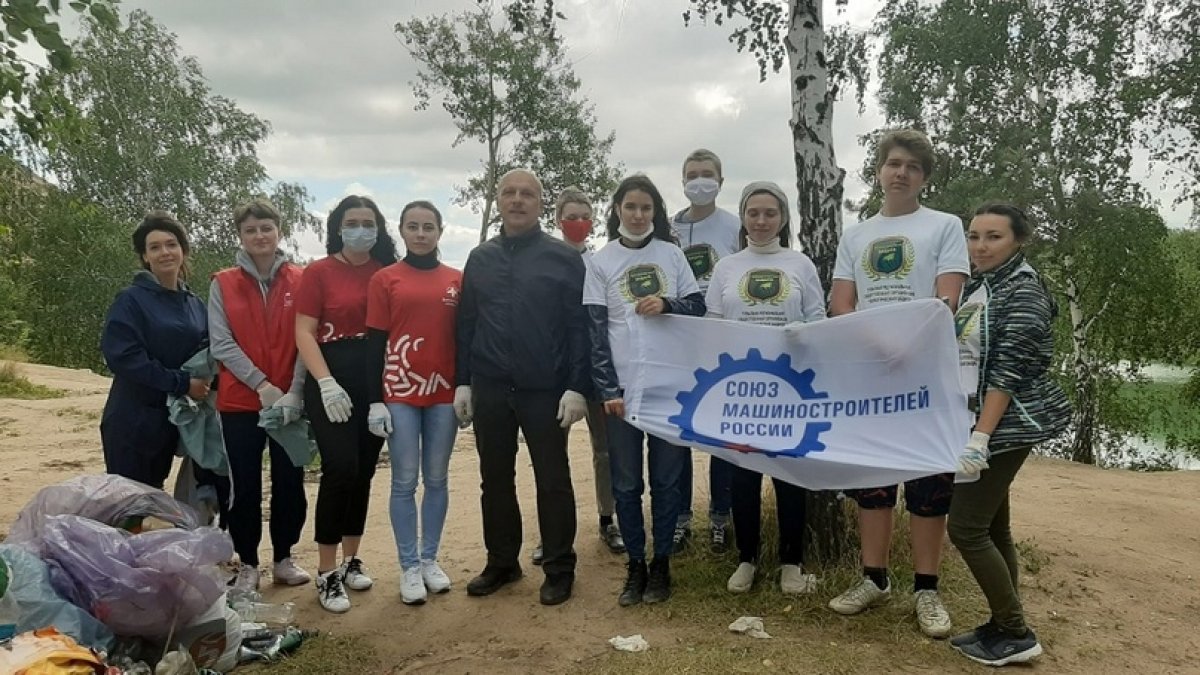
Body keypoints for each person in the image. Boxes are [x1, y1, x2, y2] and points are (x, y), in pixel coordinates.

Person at [826, 129, 969, 638]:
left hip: (926, 377)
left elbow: (946, 298)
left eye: (911, 165)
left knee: (930, 482)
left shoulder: (946, 226)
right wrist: (873, 345)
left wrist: (905, 346)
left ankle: (926, 589)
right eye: (892, 163)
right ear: (880, 171)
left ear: (924, 176)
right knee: (873, 484)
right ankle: (875, 579)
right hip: (871, 377)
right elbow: (841, 302)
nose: (901, 172)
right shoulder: (856, 234)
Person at [454, 169, 590, 607]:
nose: (517, 200)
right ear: (497, 200)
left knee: (552, 480)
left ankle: (559, 567)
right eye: (509, 193)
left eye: (527, 194)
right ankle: (502, 562)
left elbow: (578, 329)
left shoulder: (564, 259)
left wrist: (577, 386)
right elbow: (467, 324)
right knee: (494, 479)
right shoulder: (480, 258)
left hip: (545, 390)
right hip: (491, 386)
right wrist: (463, 382)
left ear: (540, 203)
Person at [947, 203, 1070, 666]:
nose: (980, 246)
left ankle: (1016, 632)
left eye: (993, 237)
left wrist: (979, 438)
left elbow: (1006, 373)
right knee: (994, 526)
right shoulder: (981, 286)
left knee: (965, 527)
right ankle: (1004, 625)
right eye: (974, 236)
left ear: (1019, 239)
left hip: (1006, 425)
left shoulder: (1023, 291)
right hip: (982, 422)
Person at [585, 174, 706, 606]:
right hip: (622, 391)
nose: (638, 215)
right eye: (630, 207)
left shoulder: (672, 256)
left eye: (646, 208)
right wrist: (606, 389)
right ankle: (635, 564)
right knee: (625, 483)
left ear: (655, 212)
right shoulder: (599, 262)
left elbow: (697, 307)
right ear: (617, 209)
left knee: (668, 481)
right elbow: (596, 332)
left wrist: (668, 304)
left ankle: (662, 565)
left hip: (670, 388)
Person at [704, 182, 825, 595]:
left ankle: (792, 564)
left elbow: (819, 320)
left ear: (783, 218)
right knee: (744, 476)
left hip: (789, 389)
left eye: (769, 213)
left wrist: (802, 333)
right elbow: (712, 326)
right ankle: (747, 560)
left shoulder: (801, 264)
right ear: (742, 217)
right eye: (753, 213)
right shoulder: (726, 267)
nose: (760, 221)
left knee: (789, 475)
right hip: (740, 388)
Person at [295, 195, 397, 613]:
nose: (360, 228)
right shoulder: (318, 272)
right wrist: (325, 382)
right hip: (331, 374)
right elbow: (304, 332)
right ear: (338, 226)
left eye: (368, 221)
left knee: (365, 470)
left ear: (378, 227)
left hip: (375, 376)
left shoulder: (386, 272)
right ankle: (325, 570)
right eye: (352, 221)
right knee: (340, 468)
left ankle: (352, 559)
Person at [208, 198, 311, 598]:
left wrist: (293, 392)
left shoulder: (301, 281)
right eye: (250, 230)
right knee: (244, 486)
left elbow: (307, 339)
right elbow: (221, 343)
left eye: (266, 227)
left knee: (290, 480)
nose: (259, 236)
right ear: (240, 236)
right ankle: (247, 562)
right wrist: (260, 384)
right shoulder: (223, 282)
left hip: (290, 400)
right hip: (239, 402)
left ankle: (284, 557)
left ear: (278, 231)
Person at [365, 200, 462, 606]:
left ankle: (429, 560)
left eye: (428, 227)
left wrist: (466, 387)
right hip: (400, 393)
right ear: (402, 231)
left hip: (444, 392)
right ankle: (407, 566)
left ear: (440, 232)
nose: (421, 234)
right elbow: (374, 341)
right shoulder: (385, 279)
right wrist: (375, 399)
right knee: (405, 481)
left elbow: (466, 336)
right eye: (413, 227)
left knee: (437, 478)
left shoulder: (457, 280)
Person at [527, 187, 624, 566]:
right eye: (571, 215)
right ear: (557, 219)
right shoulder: (544, 259)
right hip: (557, 372)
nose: (578, 222)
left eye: (585, 215)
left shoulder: (602, 262)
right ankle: (551, 532)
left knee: (605, 450)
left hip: (599, 371)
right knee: (552, 455)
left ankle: (607, 519)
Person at [100, 211, 209, 490]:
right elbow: (123, 357)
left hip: (169, 420)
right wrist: (183, 383)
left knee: (153, 499)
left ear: (183, 250)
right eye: (155, 247)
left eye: (171, 244)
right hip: (132, 420)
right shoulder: (131, 300)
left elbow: (206, 350)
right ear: (145, 257)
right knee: (129, 504)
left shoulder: (194, 303)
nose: (165, 252)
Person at [670, 148, 741, 553]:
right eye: (693, 174)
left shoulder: (734, 227)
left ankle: (721, 516)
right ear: (682, 181)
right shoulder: (668, 228)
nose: (700, 181)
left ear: (720, 181)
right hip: (678, 338)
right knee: (678, 431)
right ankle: (679, 517)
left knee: (721, 431)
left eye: (707, 174)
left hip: (722, 339)